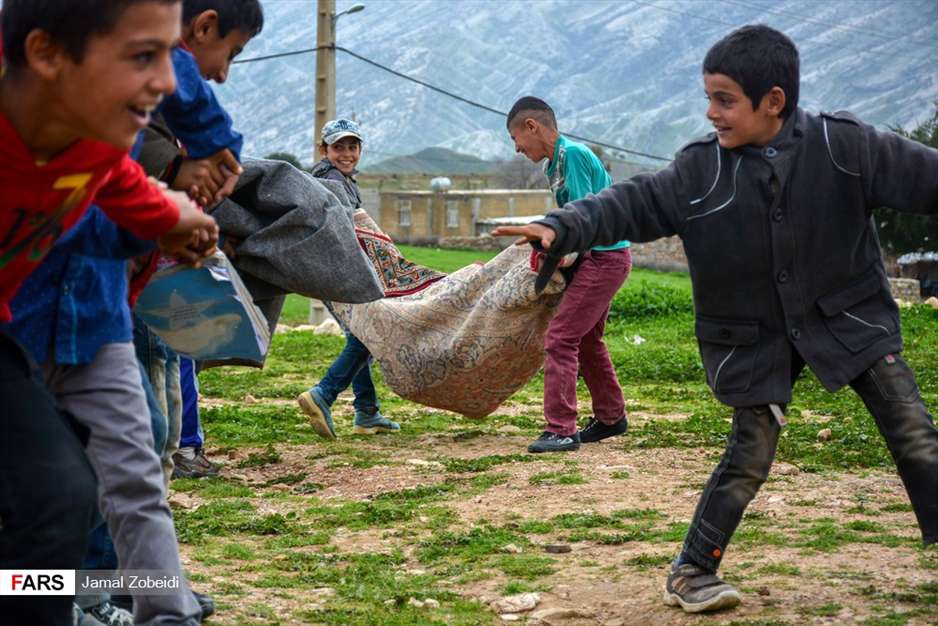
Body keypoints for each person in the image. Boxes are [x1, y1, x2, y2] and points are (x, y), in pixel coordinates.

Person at [495, 24, 938, 614]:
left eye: (724, 100)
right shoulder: (701, 171)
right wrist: (562, 225)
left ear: (773, 101)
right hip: (754, 336)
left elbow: (928, 178)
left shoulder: (848, 146)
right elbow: (632, 202)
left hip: (849, 323)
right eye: (709, 97)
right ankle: (692, 570)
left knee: (913, 434)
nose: (711, 113)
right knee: (749, 454)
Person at [0, 1, 218, 624]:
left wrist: (185, 223)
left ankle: (142, 598)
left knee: (82, 487)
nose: (173, 82)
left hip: (93, 331)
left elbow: (141, 213)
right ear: (46, 55)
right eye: (144, 55)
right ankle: (78, 592)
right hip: (29, 330)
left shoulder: (101, 144)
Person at [505, 97, 632, 454]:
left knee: (560, 338)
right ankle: (611, 417)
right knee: (588, 340)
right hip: (601, 256)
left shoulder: (572, 155)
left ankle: (560, 428)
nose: (517, 148)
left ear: (532, 126)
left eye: (517, 138)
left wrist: (559, 253)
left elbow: (582, 218)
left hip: (603, 258)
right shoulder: (555, 165)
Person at [296, 118, 401, 439]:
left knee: (360, 336)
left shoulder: (338, 179)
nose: (346, 153)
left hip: (334, 271)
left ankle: (367, 412)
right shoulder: (330, 180)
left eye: (352, 147)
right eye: (338, 147)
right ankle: (324, 394)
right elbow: (343, 229)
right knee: (366, 337)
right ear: (323, 149)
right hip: (339, 272)